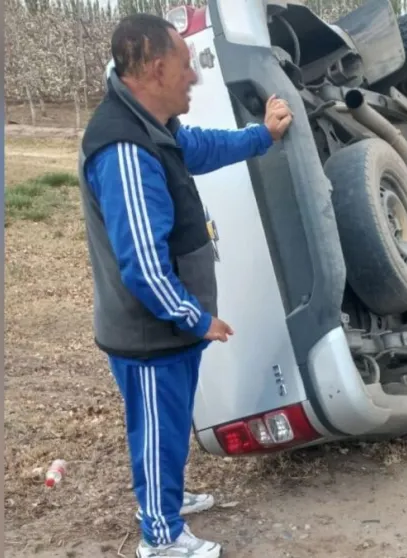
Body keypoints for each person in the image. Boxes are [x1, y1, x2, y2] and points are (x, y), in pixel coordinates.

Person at [76, 13, 293, 558]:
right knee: (156, 428)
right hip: (148, 331)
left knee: (168, 425)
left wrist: (261, 137)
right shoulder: (124, 149)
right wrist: (196, 317)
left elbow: (200, 149)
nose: (194, 76)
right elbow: (143, 267)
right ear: (154, 69)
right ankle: (161, 537)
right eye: (185, 65)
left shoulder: (155, 128)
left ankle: (165, 501)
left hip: (166, 326)